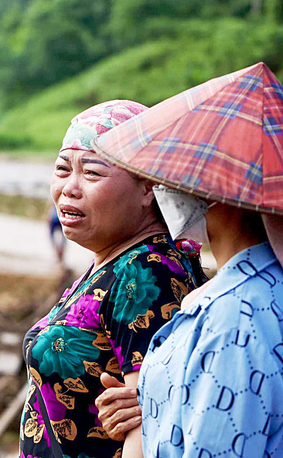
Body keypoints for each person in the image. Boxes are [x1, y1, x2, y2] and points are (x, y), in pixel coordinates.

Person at [90, 66, 283, 457]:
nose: (170, 188)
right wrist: (150, 403)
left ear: (216, 192)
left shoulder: (234, 318)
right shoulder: (239, 292)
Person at [19, 100, 206, 458]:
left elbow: (144, 427)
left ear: (148, 187)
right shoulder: (112, 262)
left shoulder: (146, 270)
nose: (69, 188)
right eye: (62, 169)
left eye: (91, 173)